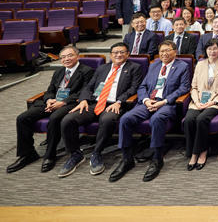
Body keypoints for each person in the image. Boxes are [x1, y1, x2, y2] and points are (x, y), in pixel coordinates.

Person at [111, 40, 191, 182]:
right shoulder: (154, 65)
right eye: (161, 51)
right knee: (125, 119)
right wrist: (146, 100)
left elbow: (184, 87)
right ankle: (127, 158)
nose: (164, 54)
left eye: (167, 50)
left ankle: (157, 158)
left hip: (166, 103)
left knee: (157, 119)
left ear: (175, 52)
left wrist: (164, 101)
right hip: (148, 102)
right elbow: (142, 86)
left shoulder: (182, 66)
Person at [59, 42, 142, 177]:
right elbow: (89, 87)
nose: (118, 55)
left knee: (107, 119)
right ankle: (75, 154)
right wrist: (84, 100)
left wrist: (119, 102)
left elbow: (134, 88)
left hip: (114, 104)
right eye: (115, 52)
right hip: (94, 102)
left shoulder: (134, 68)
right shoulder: (102, 68)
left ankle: (97, 153)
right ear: (110, 55)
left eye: (122, 52)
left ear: (127, 54)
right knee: (68, 120)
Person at [6, 46, 94, 174]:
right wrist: (49, 100)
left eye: (70, 55)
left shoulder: (87, 71)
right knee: (23, 118)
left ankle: (50, 155)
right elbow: (50, 90)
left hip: (71, 103)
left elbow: (85, 91)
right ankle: (27, 154)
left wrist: (63, 102)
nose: (66, 59)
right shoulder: (59, 71)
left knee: (55, 118)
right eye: (63, 57)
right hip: (52, 102)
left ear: (77, 56)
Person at [184, 38, 218, 170]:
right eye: (210, 48)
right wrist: (197, 101)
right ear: (206, 50)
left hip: (215, 101)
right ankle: (193, 152)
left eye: (215, 48)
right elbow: (193, 87)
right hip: (198, 101)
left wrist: (213, 101)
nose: (212, 51)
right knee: (188, 120)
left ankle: (201, 152)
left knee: (201, 119)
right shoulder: (200, 64)